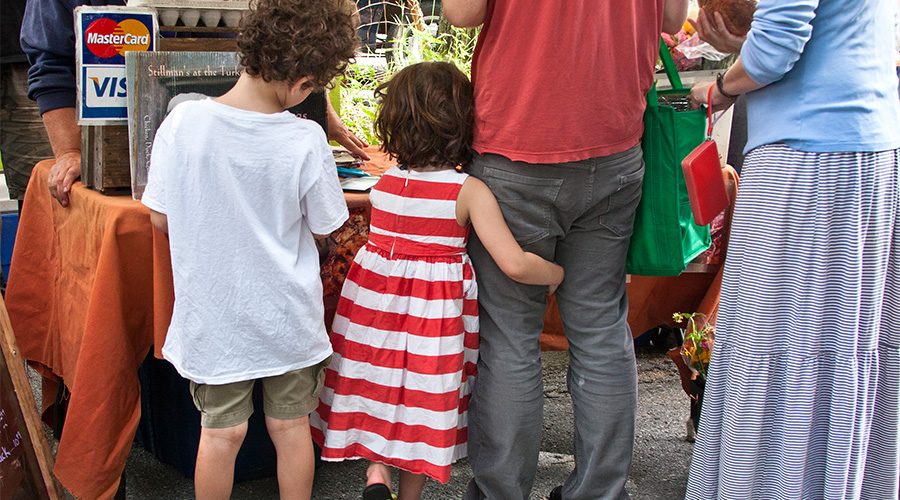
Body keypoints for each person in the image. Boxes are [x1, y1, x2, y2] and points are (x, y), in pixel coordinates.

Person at [442, 1, 688, 498]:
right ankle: (599, 491)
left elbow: (461, 12)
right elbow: (670, 18)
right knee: (600, 329)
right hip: (614, 145)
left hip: (518, 145)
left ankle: (500, 492)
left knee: (510, 338)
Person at [310, 61, 565, 500]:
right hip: (433, 323)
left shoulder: (385, 185)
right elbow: (515, 263)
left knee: (378, 387)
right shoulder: (467, 191)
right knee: (421, 404)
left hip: (375, 316)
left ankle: (376, 475)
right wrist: (557, 273)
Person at [140, 0, 358, 498]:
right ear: (304, 81)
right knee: (291, 428)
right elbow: (327, 226)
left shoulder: (183, 122)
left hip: (215, 320)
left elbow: (159, 218)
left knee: (220, 435)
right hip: (288, 319)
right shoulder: (305, 140)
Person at [685, 0, 900, 497]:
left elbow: (778, 46)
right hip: (866, 144)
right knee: (840, 347)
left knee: (777, 344)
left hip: (811, 159)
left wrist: (718, 88)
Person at [20, 0, 369, 209]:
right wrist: (70, 150)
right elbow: (51, 62)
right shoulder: (183, 120)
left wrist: (318, 109)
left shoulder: (180, 120)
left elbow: (293, 41)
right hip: (102, 118)